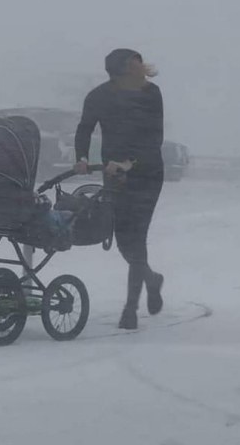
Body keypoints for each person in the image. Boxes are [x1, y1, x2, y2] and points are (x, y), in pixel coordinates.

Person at [74, 48, 165, 330]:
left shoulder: (151, 94)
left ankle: (130, 309)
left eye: (140, 62)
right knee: (123, 240)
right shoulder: (99, 96)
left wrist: (130, 162)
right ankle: (151, 278)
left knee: (137, 237)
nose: (142, 67)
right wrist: (82, 157)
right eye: (135, 64)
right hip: (114, 175)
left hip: (147, 173)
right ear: (123, 71)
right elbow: (84, 128)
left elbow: (154, 136)